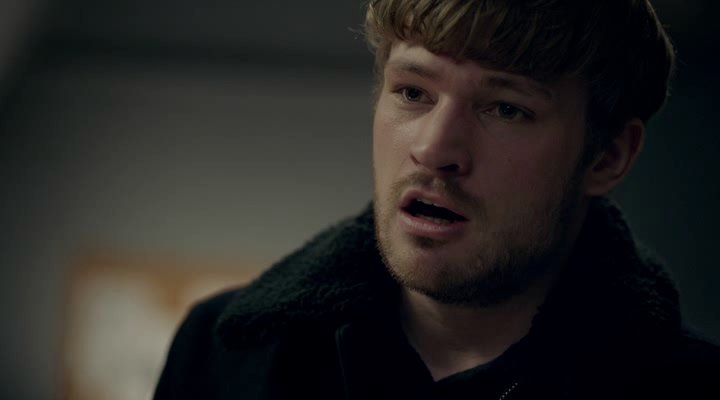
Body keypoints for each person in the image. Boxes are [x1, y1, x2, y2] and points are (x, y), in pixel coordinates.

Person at [154, 1, 720, 398]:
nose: (434, 149)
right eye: (413, 92)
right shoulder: (223, 352)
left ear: (608, 157)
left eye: (507, 108)